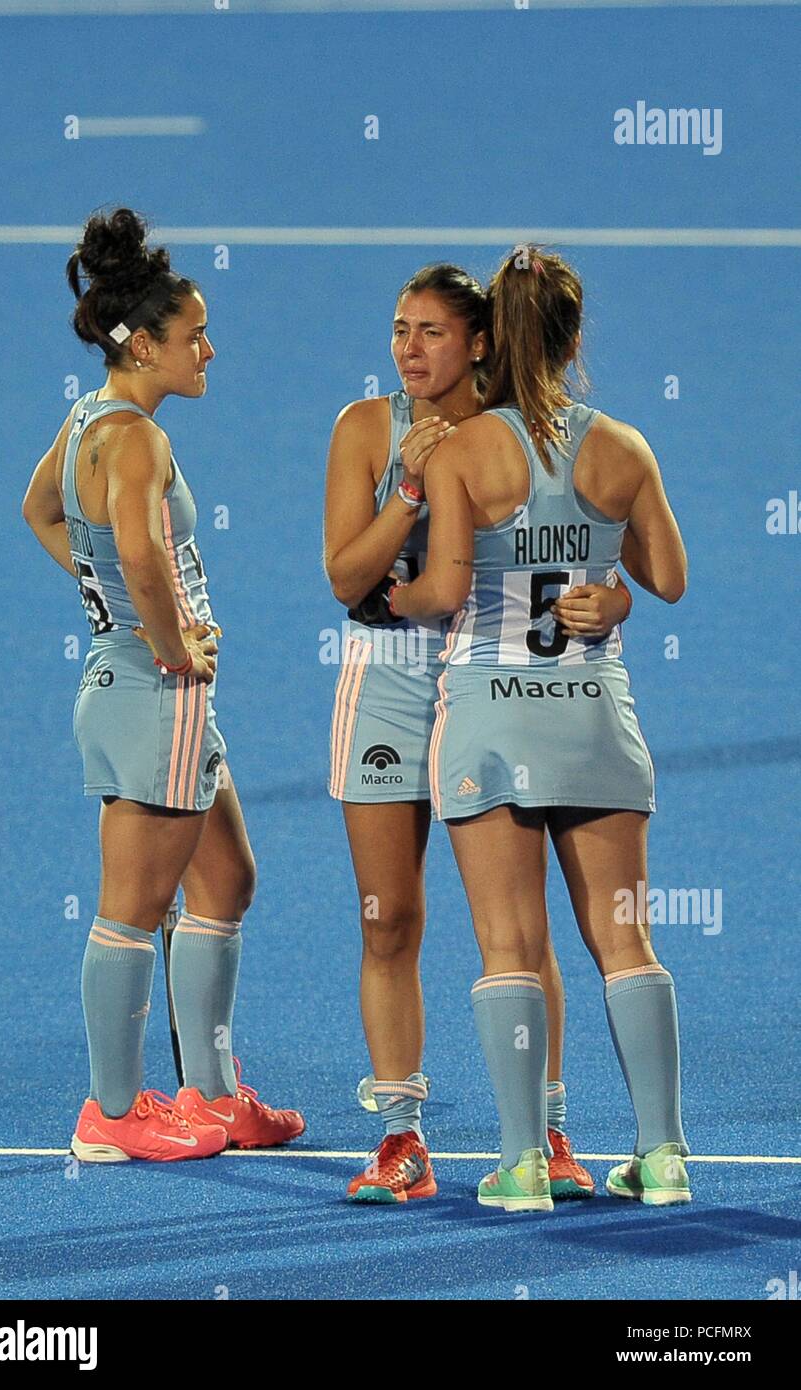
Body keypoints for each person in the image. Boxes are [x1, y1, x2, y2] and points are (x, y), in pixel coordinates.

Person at [384, 245, 690, 1211]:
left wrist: (384, 597)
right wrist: (610, 597)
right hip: (594, 717)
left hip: (488, 716)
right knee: (627, 942)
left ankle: (522, 1165)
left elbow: (438, 594)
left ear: (490, 339)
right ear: (572, 334)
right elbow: (667, 580)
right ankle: (663, 1155)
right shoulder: (623, 447)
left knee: (508, 948)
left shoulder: (458, 449)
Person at [324, 263, 631, 1202]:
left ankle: (546, 1134)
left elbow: (594, 556)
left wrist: (609, 601)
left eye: (430, 333)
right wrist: (409, 489)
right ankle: (401, 1139)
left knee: (522, 932)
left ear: (482, 343)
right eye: (399, 329)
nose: (407, 350)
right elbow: (345, 578)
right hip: (388, 690)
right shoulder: (364, 427)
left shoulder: (523, 432)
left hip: (499, 696)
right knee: (390, 921)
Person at [22, 207, 304, 1162]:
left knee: (225, 881)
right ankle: (111, 1111)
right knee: (131, 909)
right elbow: (140, 552)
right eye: (192, 338)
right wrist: (175, 643)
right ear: (142, 344)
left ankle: (213, 1095)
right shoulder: (136, 440)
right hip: (156, 697)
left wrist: (115, 608)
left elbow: (39, 510)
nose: (208, 351)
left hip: (127, 688)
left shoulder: (87, 418)